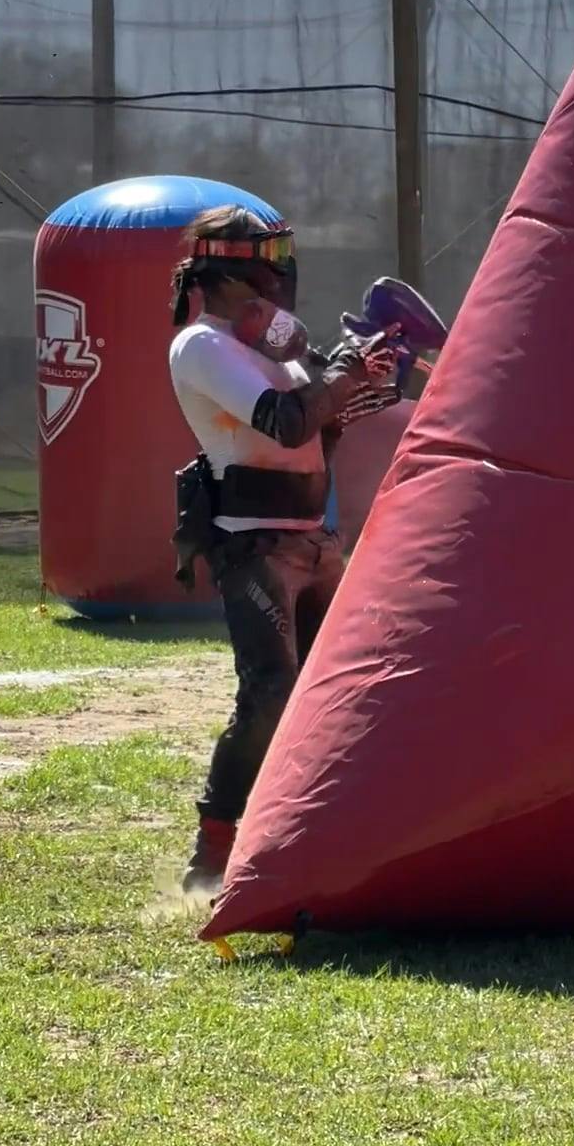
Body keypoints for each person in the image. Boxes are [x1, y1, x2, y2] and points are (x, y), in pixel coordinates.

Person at [168, 205, 396, 897]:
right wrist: (343, 376)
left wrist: (366, 376)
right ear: (236, 268)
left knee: (344, 694)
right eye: (271, 257)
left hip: (315, 540)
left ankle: (322, 837)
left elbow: (319, 425)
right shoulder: (202, 347)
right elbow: (285, 419)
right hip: (253, 545)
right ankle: (214, 849)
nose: (280, 274)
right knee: (269, 698)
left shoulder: (274, 344)